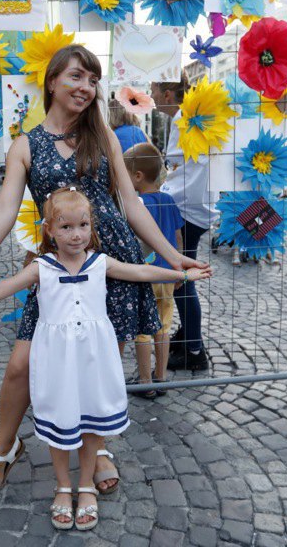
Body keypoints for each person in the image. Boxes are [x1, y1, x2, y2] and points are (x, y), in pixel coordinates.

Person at [0, 45, 208, 495]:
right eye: (77, 77)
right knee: (21, 364)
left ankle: (94, 450)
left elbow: (131, 204)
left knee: (96, 363)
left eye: (93, 80)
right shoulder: (26, 145)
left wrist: (171, 257)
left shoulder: (105, 137)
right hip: (58, 267)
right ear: (53, 80)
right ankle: (4, 451)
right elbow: (2, 212)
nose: (86, 87)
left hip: (110, 263)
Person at [0, 188, 209, 530]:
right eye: (65, 227)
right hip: (57, 362)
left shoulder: (100, 263)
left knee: (92, 422)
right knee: (61, 421)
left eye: (83, 225)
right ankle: (63, 486)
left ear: (92, 226)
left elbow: (140, 272)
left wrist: (181, 274)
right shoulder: (41, 268)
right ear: (48, 230)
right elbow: (0, 289)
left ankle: (87, 484)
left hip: (94, 360)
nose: (76, 234)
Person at [151, 76, 213, 371]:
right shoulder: (188, 116)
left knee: (182, 282)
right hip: (194, 207)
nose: (151, 97)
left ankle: (194, 351)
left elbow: (179, 174)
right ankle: (189, 335)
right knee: (183, 279)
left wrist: (159, 199)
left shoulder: (182, 120)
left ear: (166, 93)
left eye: (153, 91)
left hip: (186, 209)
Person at [123, 142, 183, 399]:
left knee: (142, 328)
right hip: (167, 275)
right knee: (164, 326)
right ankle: (161, 377)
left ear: (137, 176)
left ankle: (144, 381)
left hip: (144, 275)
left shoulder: (135, 204)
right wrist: (177, 267)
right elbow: (178, 238)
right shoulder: (169, 200)